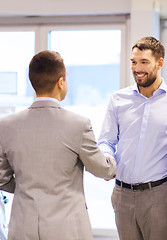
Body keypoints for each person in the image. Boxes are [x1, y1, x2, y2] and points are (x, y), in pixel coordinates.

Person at [0, 50, 117, 240]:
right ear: (60, 82)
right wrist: (111, 161)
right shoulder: (78, 125)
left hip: (23, 227)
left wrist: (26, 188)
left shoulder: (6, 126)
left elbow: (2, 178)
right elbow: (102, 169)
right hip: (67, 229)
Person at [98, 36, 167, 240]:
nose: (137, 68)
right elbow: (106, 140)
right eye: (133, 62)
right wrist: (107, 157)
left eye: (144, 62)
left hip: (158, 195)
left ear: (160, 63)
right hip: (122, 194)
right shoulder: (118, 99)